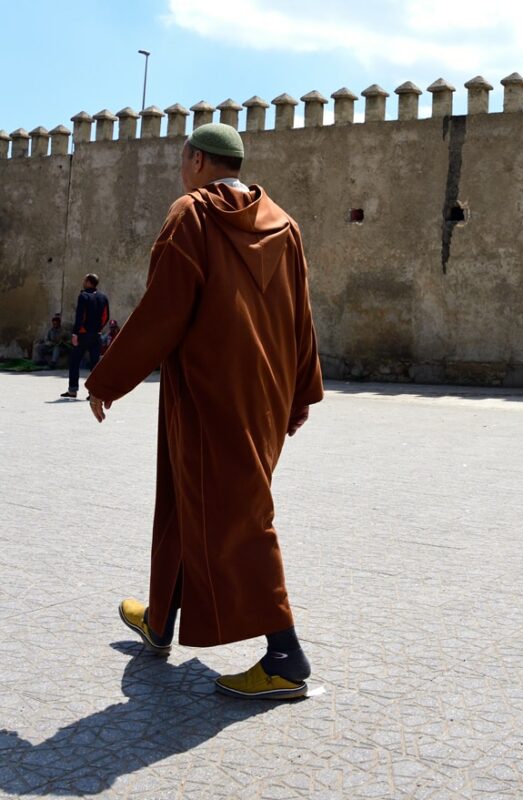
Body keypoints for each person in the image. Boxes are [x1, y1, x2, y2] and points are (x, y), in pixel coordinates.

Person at [86, 123, 323, 700]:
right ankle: (162, 618)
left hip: (206, 394)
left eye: (181, 160)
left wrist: (108, 379)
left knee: (241, 515)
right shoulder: (285, 226)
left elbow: (164, 310)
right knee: (185, 499)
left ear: (195, 160)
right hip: (264, 394)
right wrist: (300, 393)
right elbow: (301, 319)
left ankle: (286, 657)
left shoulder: (191, 215)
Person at [60, 273, 109, 399]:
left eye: (84, 279)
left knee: (74, 361)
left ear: (88, 282)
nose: (83, 281)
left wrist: (76, 333)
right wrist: (98, 329)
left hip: (83, 334)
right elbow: (106, 316)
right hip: (96, 335)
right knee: (95, 365)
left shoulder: (83, 296)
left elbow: (80, 316)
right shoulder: (103, 297)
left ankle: (72, 390)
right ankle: (93, 393)